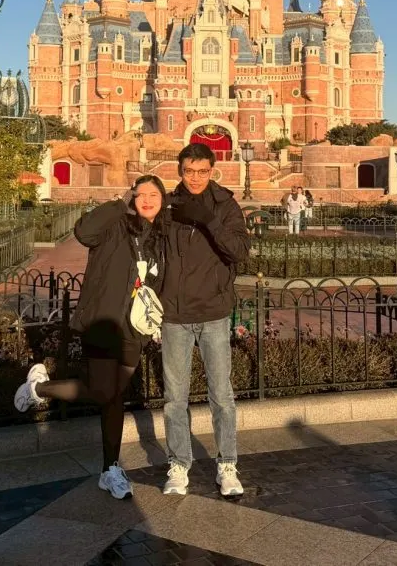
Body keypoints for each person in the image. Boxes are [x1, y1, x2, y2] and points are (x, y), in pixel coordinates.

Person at [13, 175, 167, 500]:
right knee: (103, 392)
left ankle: (109, 468)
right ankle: (40, 390)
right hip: (102, 321)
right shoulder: (114, 227)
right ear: (132, 197)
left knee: (113, 396)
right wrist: (117, 204)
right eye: (141, 194)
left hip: (134, 329)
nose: (147, 200)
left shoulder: (160, 238)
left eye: (154, 195)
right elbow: (83, 233)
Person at [160, 143, 250, 498]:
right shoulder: (168, 206)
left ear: (213, 170)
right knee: (174, 398)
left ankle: (227, 465)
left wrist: (208, 220)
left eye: (202, 171)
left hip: (213, 312)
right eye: (189, 171)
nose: (195, 178)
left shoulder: (225, 205)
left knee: (222, 396)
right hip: (175, 314)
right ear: (180, 171)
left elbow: (239, 251)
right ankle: (179, 464)